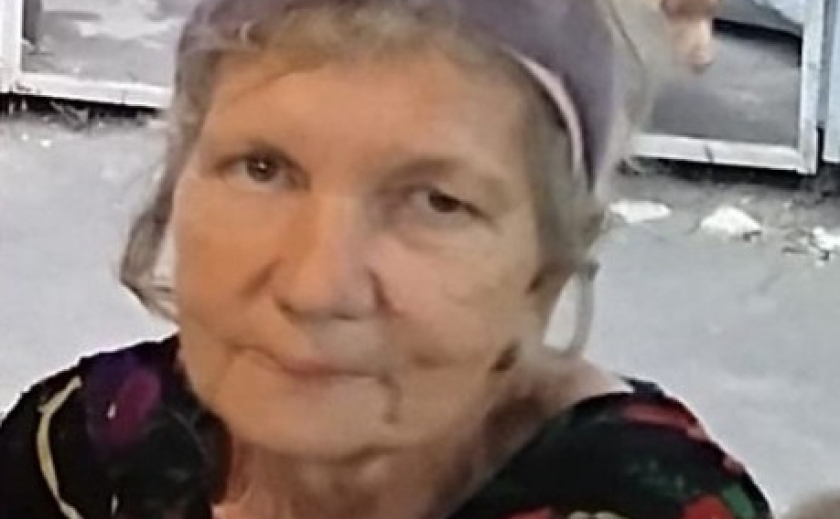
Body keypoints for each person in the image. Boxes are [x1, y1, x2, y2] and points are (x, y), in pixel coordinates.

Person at [0, 1, 772, 518]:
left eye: (436, 200)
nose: (316, 286)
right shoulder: (85, 450)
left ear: (547, 266)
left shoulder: (646, 501)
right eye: (264, 167)